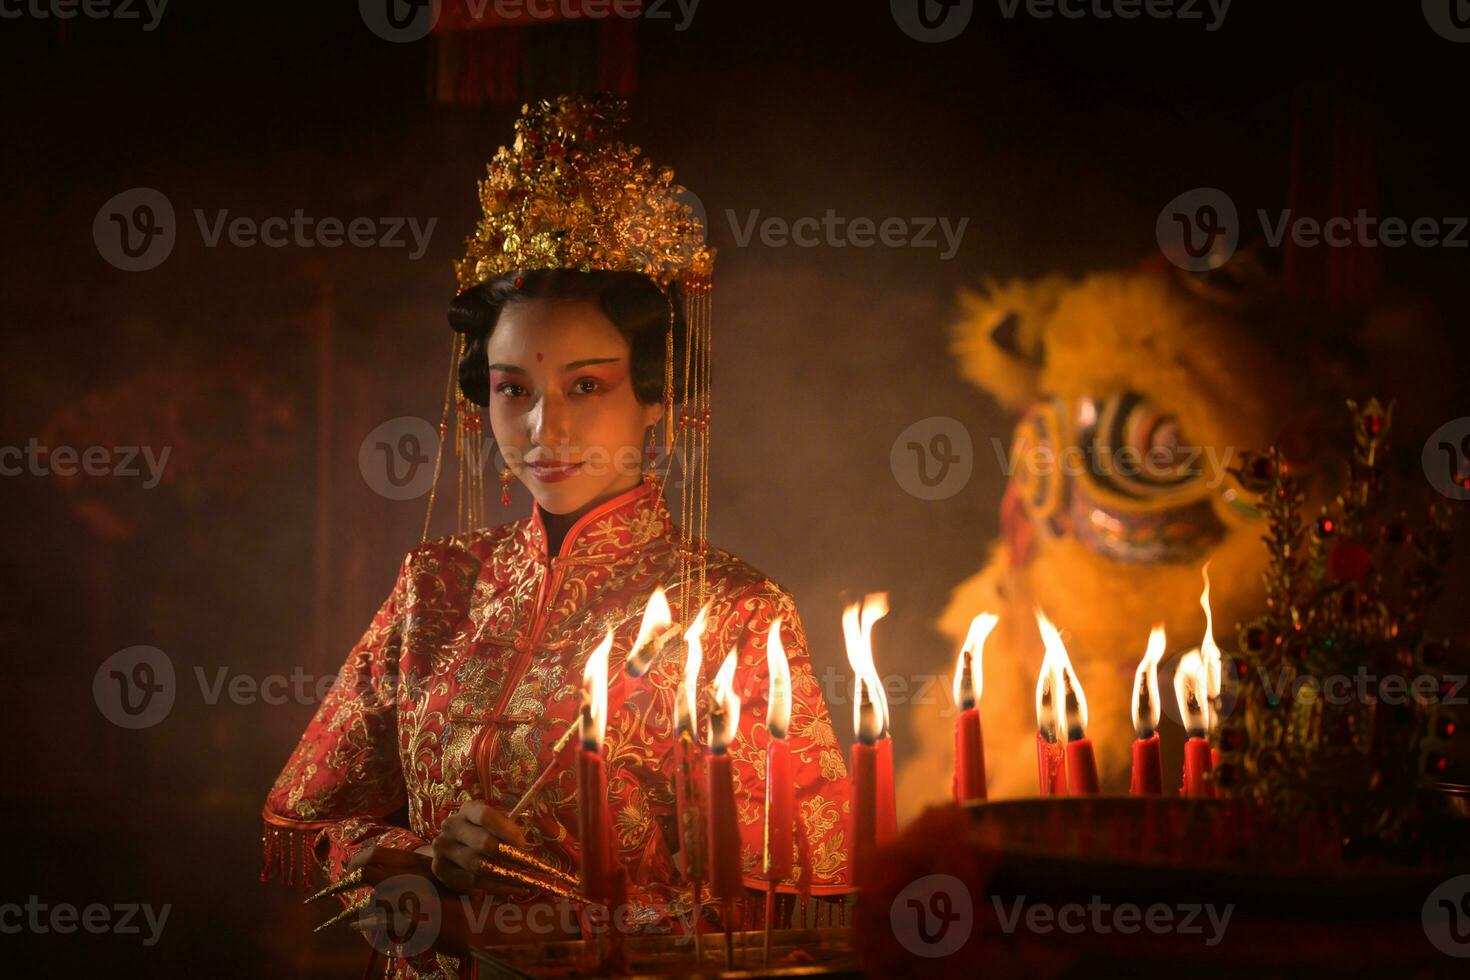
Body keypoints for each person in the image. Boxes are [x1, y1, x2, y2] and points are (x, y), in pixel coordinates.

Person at [261, 95, 852, 977]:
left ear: (655, 396)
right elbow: (298, 822)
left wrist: (532, 911)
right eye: (512, 390)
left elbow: (806, 902)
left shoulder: (735, 613)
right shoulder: (439, 587)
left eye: (586, 388)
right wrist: (404, 868)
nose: (544, 430)